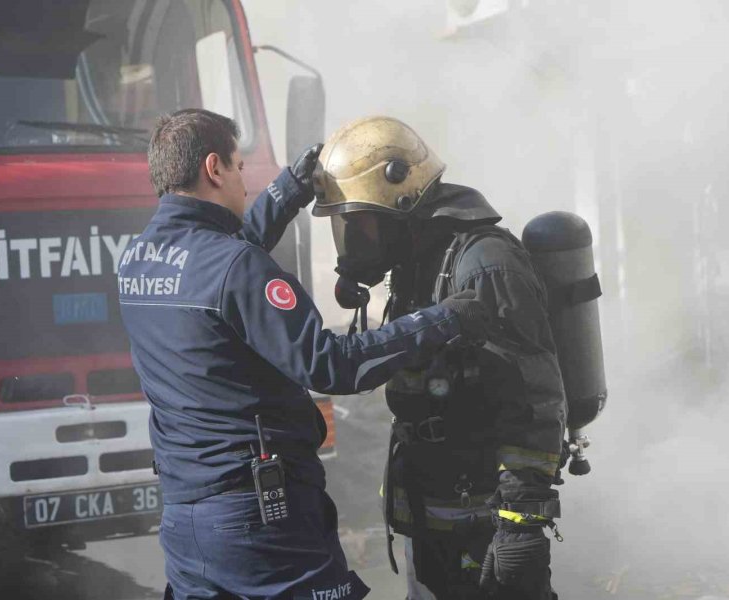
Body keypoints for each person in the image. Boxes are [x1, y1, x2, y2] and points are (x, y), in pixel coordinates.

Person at [117, 108, 493, 600]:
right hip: (260, 525)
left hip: (186, 524)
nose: (243, 181)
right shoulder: (236, 268)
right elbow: (331, 363)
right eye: (236, 166)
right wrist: (445, 318)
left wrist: (290, 188)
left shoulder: (137, 261)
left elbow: (220, 272)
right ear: (213, 169)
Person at [312, 116, 567, 600]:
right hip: (434, 510)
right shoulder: (417, 260)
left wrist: (522, 521)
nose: (350, 240)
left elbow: (534, 397)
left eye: (357, 222)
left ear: (400, 201)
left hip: (483, 520)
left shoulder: (484, 263)